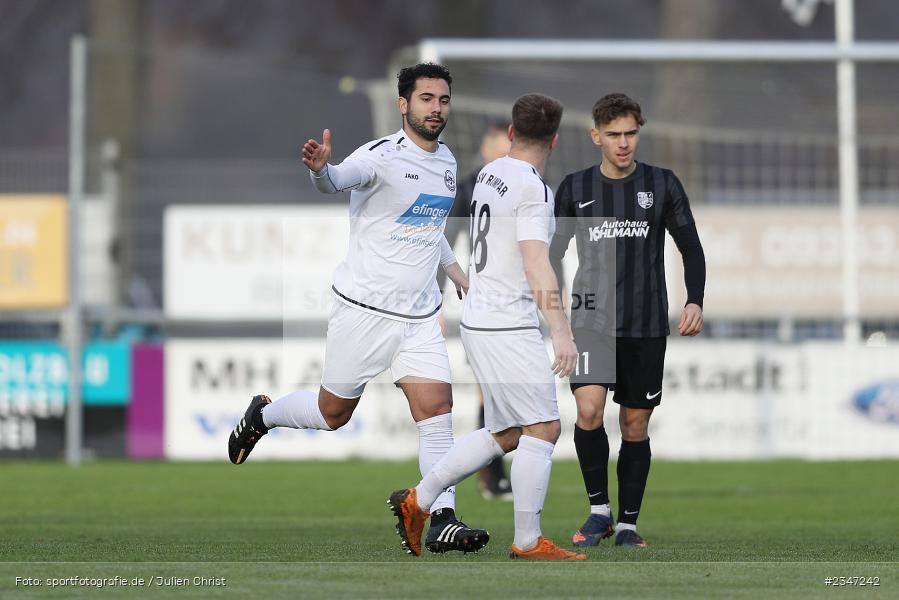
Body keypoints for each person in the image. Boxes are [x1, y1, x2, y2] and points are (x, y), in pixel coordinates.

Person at [227, 63, 489, 554]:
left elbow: (426, 227)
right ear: (403, 105)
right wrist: (322, 170)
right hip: (364, 312)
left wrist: (454, 271)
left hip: (418, 317)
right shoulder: (380, 157)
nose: (436, 108)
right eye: (426, 99)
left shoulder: (449, 162)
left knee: (437, 412)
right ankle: (262, 416)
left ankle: (442, 518)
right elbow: (337, 180)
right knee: (333, 415)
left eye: (443, 100)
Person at [388, 93, 587, 561]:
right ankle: (527, 542)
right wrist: (561, 330)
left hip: (479, 316)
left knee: (506, 431)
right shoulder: (534, 188)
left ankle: (419, 500)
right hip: (506, 322)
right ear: (555, 140)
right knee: (544, 427)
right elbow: (537, 263)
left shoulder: (491, 174)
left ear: (513, 133)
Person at [549, 93, 706, 549]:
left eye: (631, 134)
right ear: (596, 135)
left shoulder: (662, 184)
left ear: (640, 133)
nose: (623, 143)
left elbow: (690, 246)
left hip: (646, 324)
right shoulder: (575, 189)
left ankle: (627, 525)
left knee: (635, 426)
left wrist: (694, 300)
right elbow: (552, 254)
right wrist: (555, 308)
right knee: (589, 411)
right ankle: (599, 511)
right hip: (589, 322)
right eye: (614, 135)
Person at [438, 119, 514, 500]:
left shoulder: (523, 184)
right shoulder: (468, 187)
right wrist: (435, 300)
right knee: (490, 394)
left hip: (517, 304)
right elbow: (444, 241)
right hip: (483, 306)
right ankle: (493, 476)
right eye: (499, 144)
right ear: (486, 146)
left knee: (506, 394)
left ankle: (493, 475)